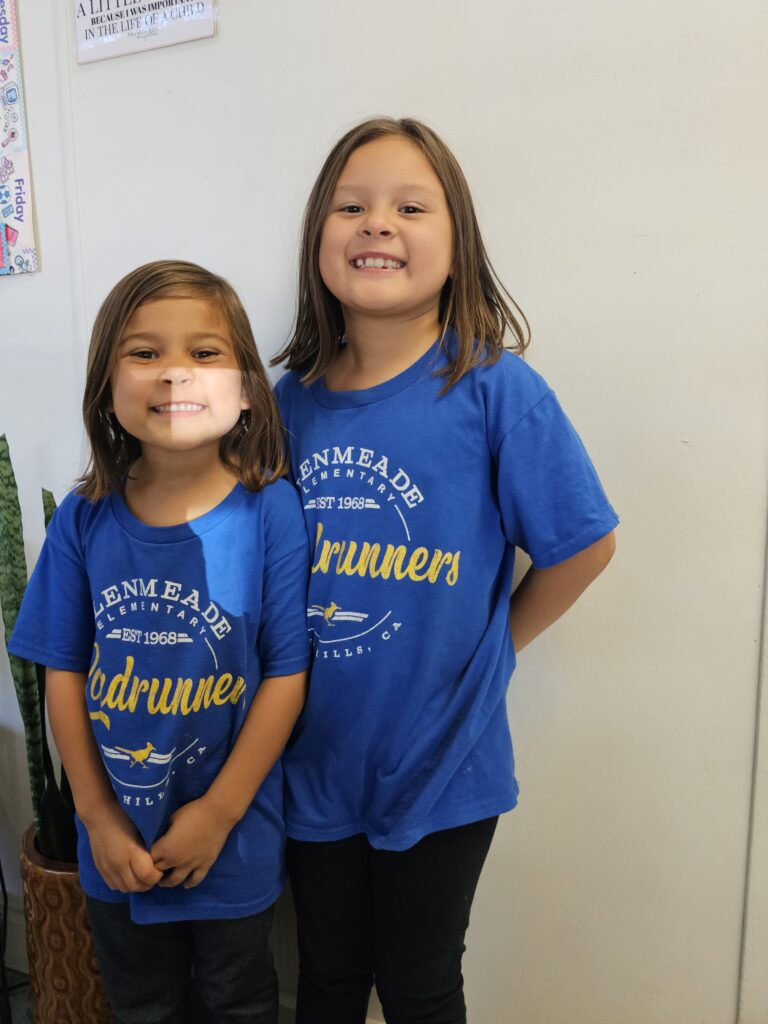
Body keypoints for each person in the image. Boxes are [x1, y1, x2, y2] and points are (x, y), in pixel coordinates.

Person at [273, 117, 619, 1024]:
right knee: (327, 979)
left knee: (420, 986)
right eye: (352, 206)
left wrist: (498, 647)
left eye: (410, 207)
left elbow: (584, 544)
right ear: (318, 237)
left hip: (444, 760)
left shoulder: (497, 390)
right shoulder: (286, 405)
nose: (378, 224)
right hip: (308, 758)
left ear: (458, 241)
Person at [10, 260, 310, 1024]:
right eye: (145, 353)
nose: (175, 372)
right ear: (107, 388)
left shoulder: (271, 511)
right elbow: (60, 672)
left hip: (234, 840)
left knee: (240, 1003)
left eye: (204, 352)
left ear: (248, 388)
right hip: (116, 848)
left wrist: (218, 814)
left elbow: (286, 674)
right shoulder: (83, 520)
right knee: (141, 1006)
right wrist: (96, 818)